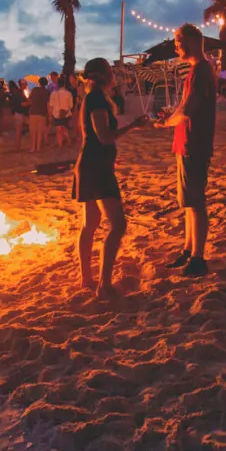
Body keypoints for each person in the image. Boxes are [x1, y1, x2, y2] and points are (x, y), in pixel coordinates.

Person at [74, 58, 148, 295]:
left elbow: (95, 138)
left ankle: (87, 280)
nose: (114, 75)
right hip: (96, 168)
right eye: (110, 71)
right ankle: (104, 285)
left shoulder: (92, 98)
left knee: (90, 225)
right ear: (102, 75)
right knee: (118, 224)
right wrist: (133, 126)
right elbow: (104, 136)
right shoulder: (96, 99)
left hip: (90, 163)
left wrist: (110, 157)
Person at [160, 24, 216, 277]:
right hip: (187, 143)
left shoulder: (201, 70)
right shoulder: (196, 71)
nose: (176, 46)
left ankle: (197, 258)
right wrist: (169, 116)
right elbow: (184, 106)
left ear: (194, 40)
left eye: (178, 40)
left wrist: (165, 122)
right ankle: (188, 250)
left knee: (195, 201)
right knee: (188, 202)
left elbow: (188, 109)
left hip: (194, 143)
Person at [27, 77, 50, 151]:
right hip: (42, 113)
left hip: (33, 112)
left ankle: (33, 148)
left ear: (39, 83)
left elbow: (29, 99)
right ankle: (38, 147)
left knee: (33, 132)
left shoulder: (34, 90)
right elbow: (48, 103)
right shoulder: (46, 92)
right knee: (40, 132)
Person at [50, 79, 74, 148]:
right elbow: (71, 105)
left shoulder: (53, 94)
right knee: (64, 128)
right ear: (64, 84)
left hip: (56, 114)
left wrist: (50, 115)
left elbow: (51, 105)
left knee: (59, 129)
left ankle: (60, 144)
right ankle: (68, 141)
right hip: (66, 114)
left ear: (58, 85)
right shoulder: (69, 93)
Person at [8, 78, 27, 149]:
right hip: (19, 113)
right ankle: (17, 146)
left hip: (17, 113)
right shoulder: (19, 93)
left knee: (19, 130)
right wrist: (30, 103)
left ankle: (17, 145)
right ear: (22, 85)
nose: (26, 86)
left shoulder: (18, 92)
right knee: (19, 131)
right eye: (25, 84)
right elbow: (22, 104)